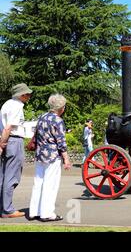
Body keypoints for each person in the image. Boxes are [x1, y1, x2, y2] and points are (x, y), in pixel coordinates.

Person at [29, 94, 71, 222]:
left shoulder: (42, 117)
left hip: (40, 155)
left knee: (38, 183)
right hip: (52, 156)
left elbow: (36, 135)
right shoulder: (57, 120)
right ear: (61, 108)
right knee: (50, 185)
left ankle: (34, 211)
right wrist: (66, 159)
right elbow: (61, 142)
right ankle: (47, 213)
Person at [0, 83, 33, 218]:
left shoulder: (7, 104)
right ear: (21, 95)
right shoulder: (17, 106)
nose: (29, 96)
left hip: (6, 139)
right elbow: (8, 127)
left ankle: (3, 207)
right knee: (12, 176)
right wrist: (2, 144)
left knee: (2, 176)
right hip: (13, 140)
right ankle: (8, 210)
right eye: (27, 94)